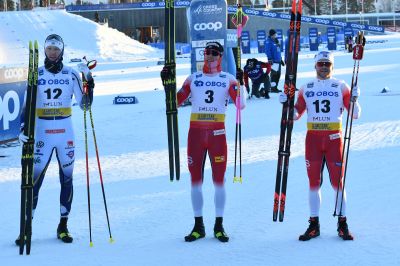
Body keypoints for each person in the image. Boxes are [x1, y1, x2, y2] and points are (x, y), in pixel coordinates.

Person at [161, 41, 247, 243]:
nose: (209, 57)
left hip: (217, 135)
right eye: (207, 53)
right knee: (195, 182)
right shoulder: (194, 78)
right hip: (196, 135)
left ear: (221, 56)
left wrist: (241, 84)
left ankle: (219, 225)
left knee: (219, 181)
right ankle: (198, 225)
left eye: (214, 53)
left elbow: (240, 105)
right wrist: (167, 85)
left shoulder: (228, 79)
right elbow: (175, 102)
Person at [17, 34, 94, 244]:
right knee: (34, 181)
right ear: (44, 51)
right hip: (42, 131)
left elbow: (85, 104)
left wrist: (89, 80)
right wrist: (23, 127)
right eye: (49, 48)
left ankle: (63, 225)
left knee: (66, 179)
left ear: (62, 51)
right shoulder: (36, 74)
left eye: (56, 49)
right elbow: (26, 106)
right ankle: (26, 226)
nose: (53, 52)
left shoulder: (71, 74)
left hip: (64, 131)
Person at [279, 51, 361, 241]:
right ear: (315, 65)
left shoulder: (341, 86)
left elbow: (355, 114)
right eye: (320, 63)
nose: (324, 66)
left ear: (332, 66)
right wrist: (286, 105)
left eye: (327, 64)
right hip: (313, 140)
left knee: (337, 183)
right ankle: (314, 225)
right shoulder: (306, 87)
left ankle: (342, 224)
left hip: (334, 139)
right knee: (314, 183)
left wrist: (355, 99)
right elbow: (295, 115)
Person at [265, 29, 283, 93]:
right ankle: (272, 88)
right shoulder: (268, 42)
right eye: (275, 34)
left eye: (276, 34)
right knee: (274, 75)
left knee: (278, 74)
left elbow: (278, 51)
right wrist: (269, 59)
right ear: (272, 35)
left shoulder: (276, 40)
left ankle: (275, 87)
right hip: (274, 61)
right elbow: (267, 51)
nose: (276, 35)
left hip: (278, 61)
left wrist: (281, 59)